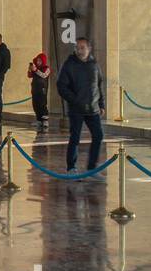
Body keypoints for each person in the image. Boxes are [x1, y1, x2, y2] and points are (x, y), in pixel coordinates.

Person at [56, 37, 106, 173]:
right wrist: (75, 99)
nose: (79, 50)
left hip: (93, 109)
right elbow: (61, 86)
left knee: (98, 136)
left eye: (82, 47)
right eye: (77, 48)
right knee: (75, 138)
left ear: (89, 49)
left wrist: (101, 104)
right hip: (76, 109)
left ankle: (92, 167)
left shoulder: (94, 65)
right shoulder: (69, 64)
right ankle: (71, 166)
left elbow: (99, 85)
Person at [27, 52, 51, 131]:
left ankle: (45, 121)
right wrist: (30, 69)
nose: (38, 62)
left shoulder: (47, 68)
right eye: (37, 61)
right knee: (35, 104)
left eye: (40, 61)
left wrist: (36, 70)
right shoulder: (35, 68)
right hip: (35, 89)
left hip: (42, 89)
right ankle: (39, 120)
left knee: (42, 104)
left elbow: (44, 75)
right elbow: (29, 76)